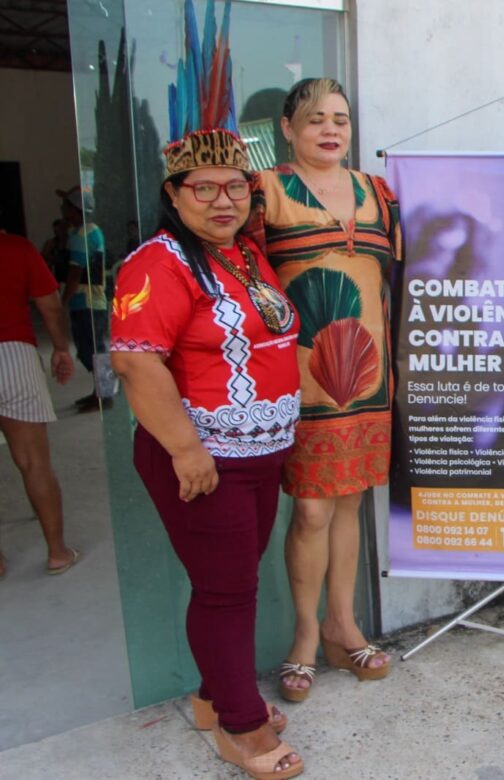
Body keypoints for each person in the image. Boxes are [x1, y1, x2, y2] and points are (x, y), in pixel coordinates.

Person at [109, 128, 304, 777]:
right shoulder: (158, 263)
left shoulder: (244, 255)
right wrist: (188, 450)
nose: (222, 200)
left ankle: (214, 696)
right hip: (203, 458)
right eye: (203, 188)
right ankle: (240, 729)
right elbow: (136, 362)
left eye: (235, 188)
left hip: (258, 454)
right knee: (226, 591)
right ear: (174, 193)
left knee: (234, 584)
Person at [255, 77, 399, 701]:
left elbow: (400, 279)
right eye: (315, 119)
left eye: (339, 118)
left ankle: (344, 624)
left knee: (349, 503)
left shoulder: (376, 192)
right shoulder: (263, 194)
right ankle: (305, 637)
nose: (331, 129)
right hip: (301, 379)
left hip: (368, 378)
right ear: (288, 128)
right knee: (311, 507)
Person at [0, 229, 79, 579]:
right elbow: (50, 305)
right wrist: (61, 348)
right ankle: (58, 552)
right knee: (33, 462)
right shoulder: (16, 248)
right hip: (13, 353)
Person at [58, 186, 111, 413]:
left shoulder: (82, 235)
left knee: (91, 347)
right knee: (90, 347)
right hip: (91, 300)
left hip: (87, 300)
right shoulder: (83, 231)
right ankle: (100, 391)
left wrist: (64, 300)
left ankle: (104, 392)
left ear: (75, 209)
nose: (62, 209)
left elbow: (75, 272)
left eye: (66, 205)